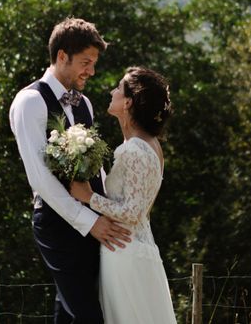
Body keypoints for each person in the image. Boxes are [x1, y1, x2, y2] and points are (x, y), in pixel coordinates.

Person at [10, 18, 131, 324]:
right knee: (90, 315)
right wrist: (90, 222)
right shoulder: (30, 102)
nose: (91, 71)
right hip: (58, 224)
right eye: (85, 62)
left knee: (70, 314)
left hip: (94, 220)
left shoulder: (85, 104)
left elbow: (96, 171)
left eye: (93, 63)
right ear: (62, 56)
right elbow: (40, 177)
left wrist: (111, 212)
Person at [70, 67, 178, 324]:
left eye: (118, 88)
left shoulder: (133, 149)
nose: (112, 91)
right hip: (140, 249)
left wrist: (87, 196)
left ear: (128, 102)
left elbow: (132, 212)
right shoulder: (151, 145)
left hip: (123, 251)